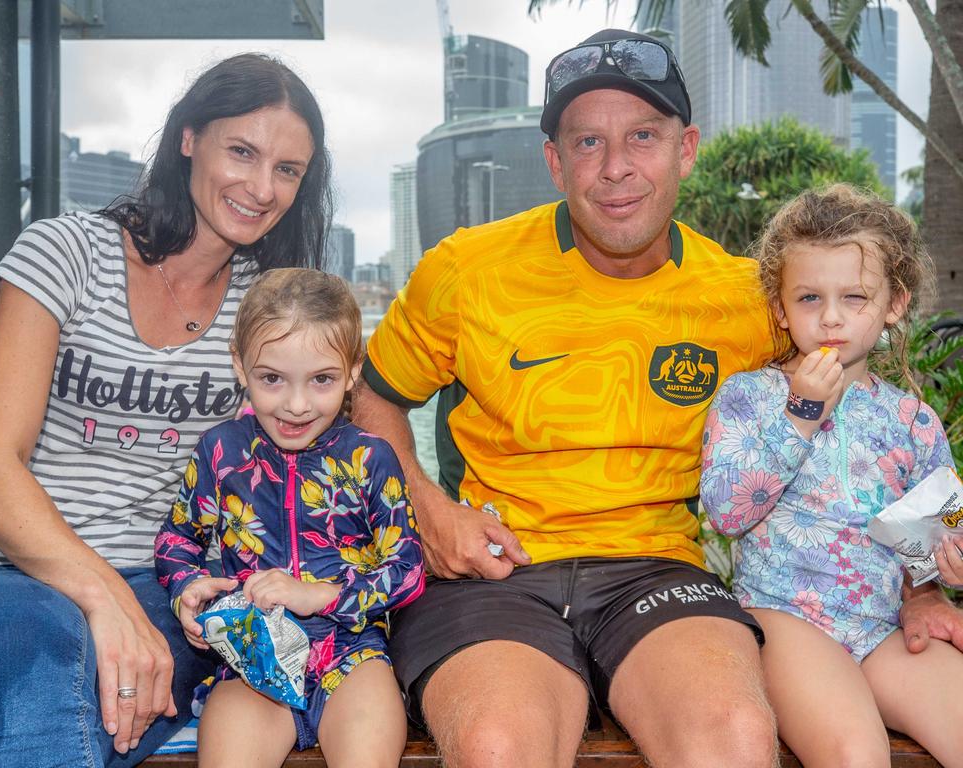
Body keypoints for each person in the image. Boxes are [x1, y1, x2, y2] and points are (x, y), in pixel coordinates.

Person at [352, 29, 963, 768]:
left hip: (658, 569)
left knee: (734, 737)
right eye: (586, 143)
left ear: (687, 148)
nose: (615, 168)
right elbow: (373, 399)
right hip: (498, 569)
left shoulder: (749, 299)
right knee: (496, 743)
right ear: (554, 161)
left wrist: (919, 584)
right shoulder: (465, 268)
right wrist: (427, 507)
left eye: (643, 136)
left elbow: (867, 434)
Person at [0, 53, 332, 767]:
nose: (261, 186)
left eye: (287, 170)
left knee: (85, 712)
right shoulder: (67, 252)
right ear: (189, 138)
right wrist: (103, 600)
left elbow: (345, 432)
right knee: (28, 675)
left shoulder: (268, 308)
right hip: (11, 570)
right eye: (241, 151)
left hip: (172, 587)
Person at [700, 184, 963, 767]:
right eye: (810, 298)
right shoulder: (748, 398)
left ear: (894, 304)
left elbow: (932, 538)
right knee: (854, 753)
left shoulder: (913, 421)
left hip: (882, 628)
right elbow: (726, 512)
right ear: (780, 308)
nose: (832, 317)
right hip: (784, 618)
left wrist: (939, 574)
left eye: (855, 297)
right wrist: (800, 416)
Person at [155, 268, 424, 767]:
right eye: (272, 379)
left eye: (321, 380)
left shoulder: (371, 458)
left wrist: (321, 595)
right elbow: (177, 541)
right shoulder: (220, 452)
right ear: (240, 366)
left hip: (352, 658)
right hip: (251, 666)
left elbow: (406, 568)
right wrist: (187, 590)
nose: (296, 406)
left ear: (352, 370)